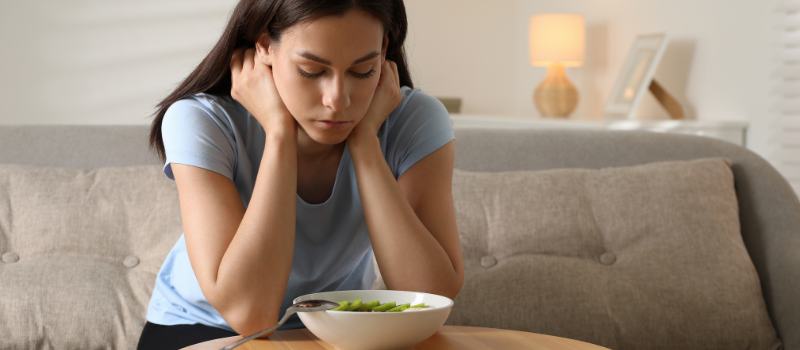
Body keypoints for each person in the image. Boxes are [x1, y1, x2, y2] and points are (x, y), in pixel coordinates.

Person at [137, 0, 464, 349]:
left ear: (384, 50)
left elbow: (429, 296)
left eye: (362, 71)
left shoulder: (414, 120)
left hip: (332, 329)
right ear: (264, 45)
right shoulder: (201, 120)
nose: (338, 100)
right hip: (204, 328)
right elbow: (252, 315)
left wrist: (366, 143)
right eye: (311, 70)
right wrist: (278, 133)